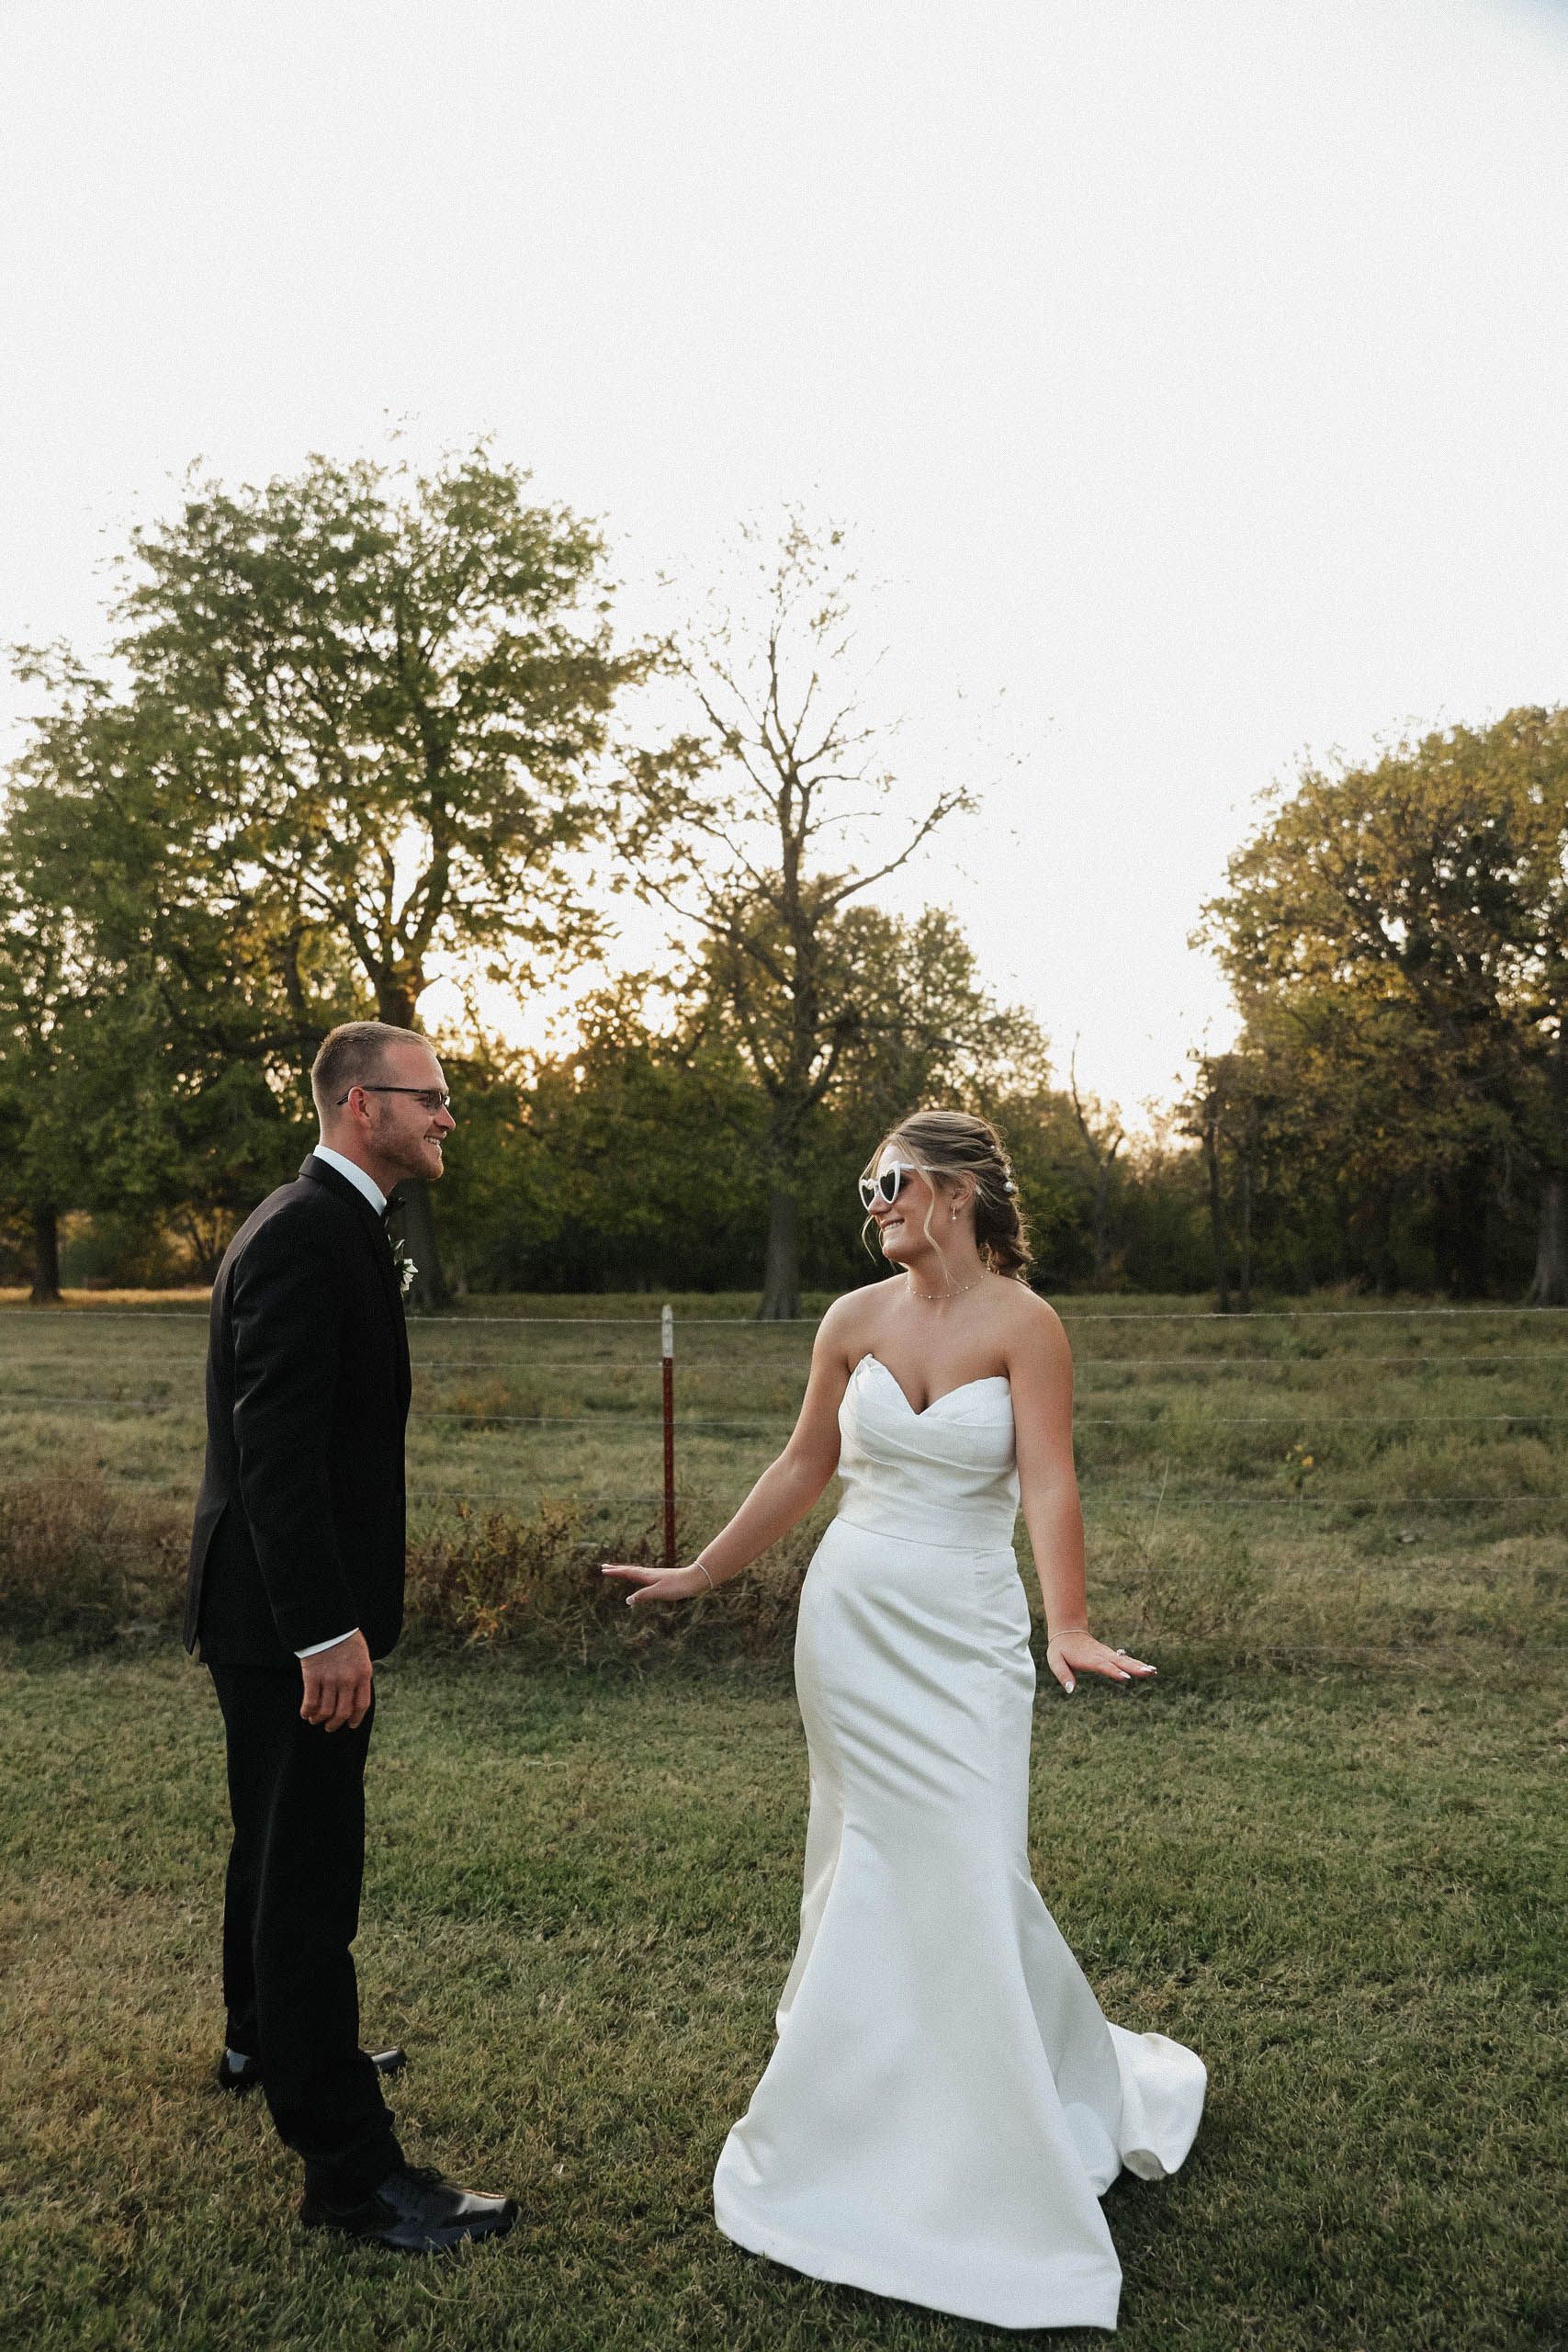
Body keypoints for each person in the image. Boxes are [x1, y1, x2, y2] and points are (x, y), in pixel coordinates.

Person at [603, 1108, 1205, 2332]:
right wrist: (708, 1572)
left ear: (958, 1192)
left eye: (893, 1182)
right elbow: (799, 1469)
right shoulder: (850, 1322)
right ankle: (859, 2107)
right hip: (855, 1626)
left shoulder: (1027, 1325)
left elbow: (1048, 1477)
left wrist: (1069, 1621)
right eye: (867, 1186)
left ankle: (1005, 2106)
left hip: (969, 1635)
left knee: (974, 1861)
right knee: (866, 1859)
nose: (874, 1202)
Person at [185, 1019, 517, 2254]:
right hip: (287, 1622)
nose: (446, 1117)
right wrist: (325, 1629)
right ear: (358, 1105)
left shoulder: (323, 1225)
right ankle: (351, 2177)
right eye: (428, 1098)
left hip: (272, 1613)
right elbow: (274, 1453)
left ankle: (261, 2040)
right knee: (310, 1879)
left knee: (274, 1843)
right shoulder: (308, 1236)